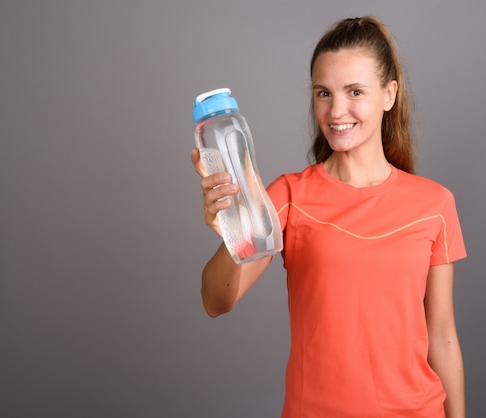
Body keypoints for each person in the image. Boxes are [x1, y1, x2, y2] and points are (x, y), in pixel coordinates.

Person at [191, 16, 466, 418]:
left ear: (389, 94)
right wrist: (231, 230)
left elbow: (442, 337)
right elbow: (216, 301)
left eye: (355, 91)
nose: (337, 111)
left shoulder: (435, 205)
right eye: (324, 93)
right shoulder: (288, 196)